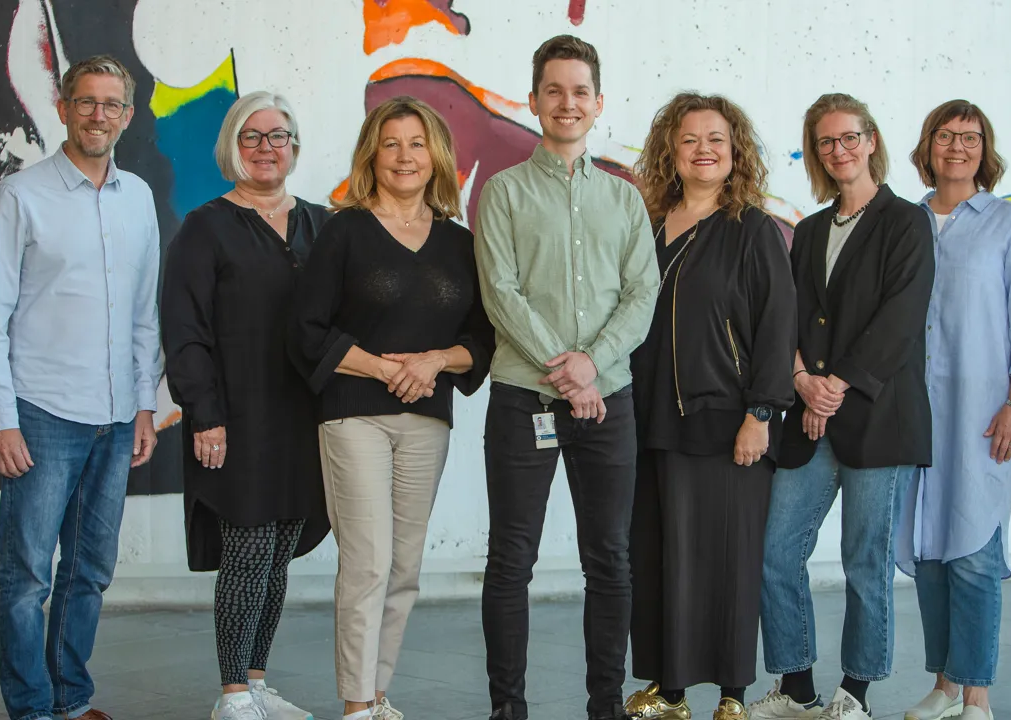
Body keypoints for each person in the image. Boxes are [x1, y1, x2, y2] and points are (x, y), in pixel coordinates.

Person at [474, 34, 659, 720]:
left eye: (580, 91)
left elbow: (642, 294)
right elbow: (501, 293)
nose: (567, 102)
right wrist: (567, 371)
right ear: (534, 100)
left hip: (609, 401)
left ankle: (605, 705)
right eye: (554, 90)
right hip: (525, 399)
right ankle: (508, 708)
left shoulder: (625, 199)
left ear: (598, 103)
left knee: (610, 558)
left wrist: (592, 368)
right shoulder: (504, 192)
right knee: (511, 559)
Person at [290, 95, 493, 720]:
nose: (404, 156)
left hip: (426, 421)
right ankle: (355, 705)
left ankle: (378, 696)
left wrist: (432, 362)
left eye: (416, 143)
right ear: (371, 156)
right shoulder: (342, 231)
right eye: (390, 144)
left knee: (404, 567)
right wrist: (385, 367)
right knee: (369, 561)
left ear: (437, 157)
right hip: (354, 414)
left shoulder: (461, 244)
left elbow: (481, 339)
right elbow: (306, 330)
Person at [0, 55, 161, 720]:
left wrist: (144, 404)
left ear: (128, 116)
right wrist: (1, 418)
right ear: (62, 108)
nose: (98, 115)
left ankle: (72, 700)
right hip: (41, 412)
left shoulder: (138, 198)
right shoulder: (22, 196)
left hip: (115, 418)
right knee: (27, 578)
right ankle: (31, 709)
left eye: (111, 104)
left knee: (89, 573)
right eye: (86, 102)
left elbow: (145, 315)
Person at [749, 93, 934, 720]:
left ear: (872, 140)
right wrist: (803, 380)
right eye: (826, 142)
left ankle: (855, 691)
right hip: (809, 415)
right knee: (777, 552)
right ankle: (797, 687)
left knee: (865, 559)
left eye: (849, 137)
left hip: (877, 420)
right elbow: (789, 317)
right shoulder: (808, 230)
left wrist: (836, 387)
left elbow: (899, 323)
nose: (839, 150)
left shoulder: (906, 223)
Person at [623, 92, 797, 720]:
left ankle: (731, 693)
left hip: (730, 424)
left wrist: (762, 413)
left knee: (728, 561)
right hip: (651, 422)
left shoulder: (751, 228)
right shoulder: (645, 222)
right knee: (662, 559)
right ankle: (669, 691)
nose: (704, 149)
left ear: (735, 150)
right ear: (671, 149)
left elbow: (779, 329)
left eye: (716, 139)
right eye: (690, 138)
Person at [161, 91, 329, 720]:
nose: (266, 148)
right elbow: (185, 330)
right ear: (232, 147)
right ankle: (231, 693)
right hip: (234, 420)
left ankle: (257, 683)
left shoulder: (321, 222)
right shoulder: (205, 227)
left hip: (304, 417)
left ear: (294, 147)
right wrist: (204, 413)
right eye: (252, 137)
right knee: (248, 549)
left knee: (279, 551)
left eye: (278, 136)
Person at [894, 100, 1011, 720]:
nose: (957, 147)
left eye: (970, 137)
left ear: (985, 150)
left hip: (982, 413)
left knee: (976, 553)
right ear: (926, 146)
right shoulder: (903, 224)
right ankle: (945, 685)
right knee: (929, 552)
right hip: (911, 413)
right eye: (944, 135)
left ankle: (978, 695)